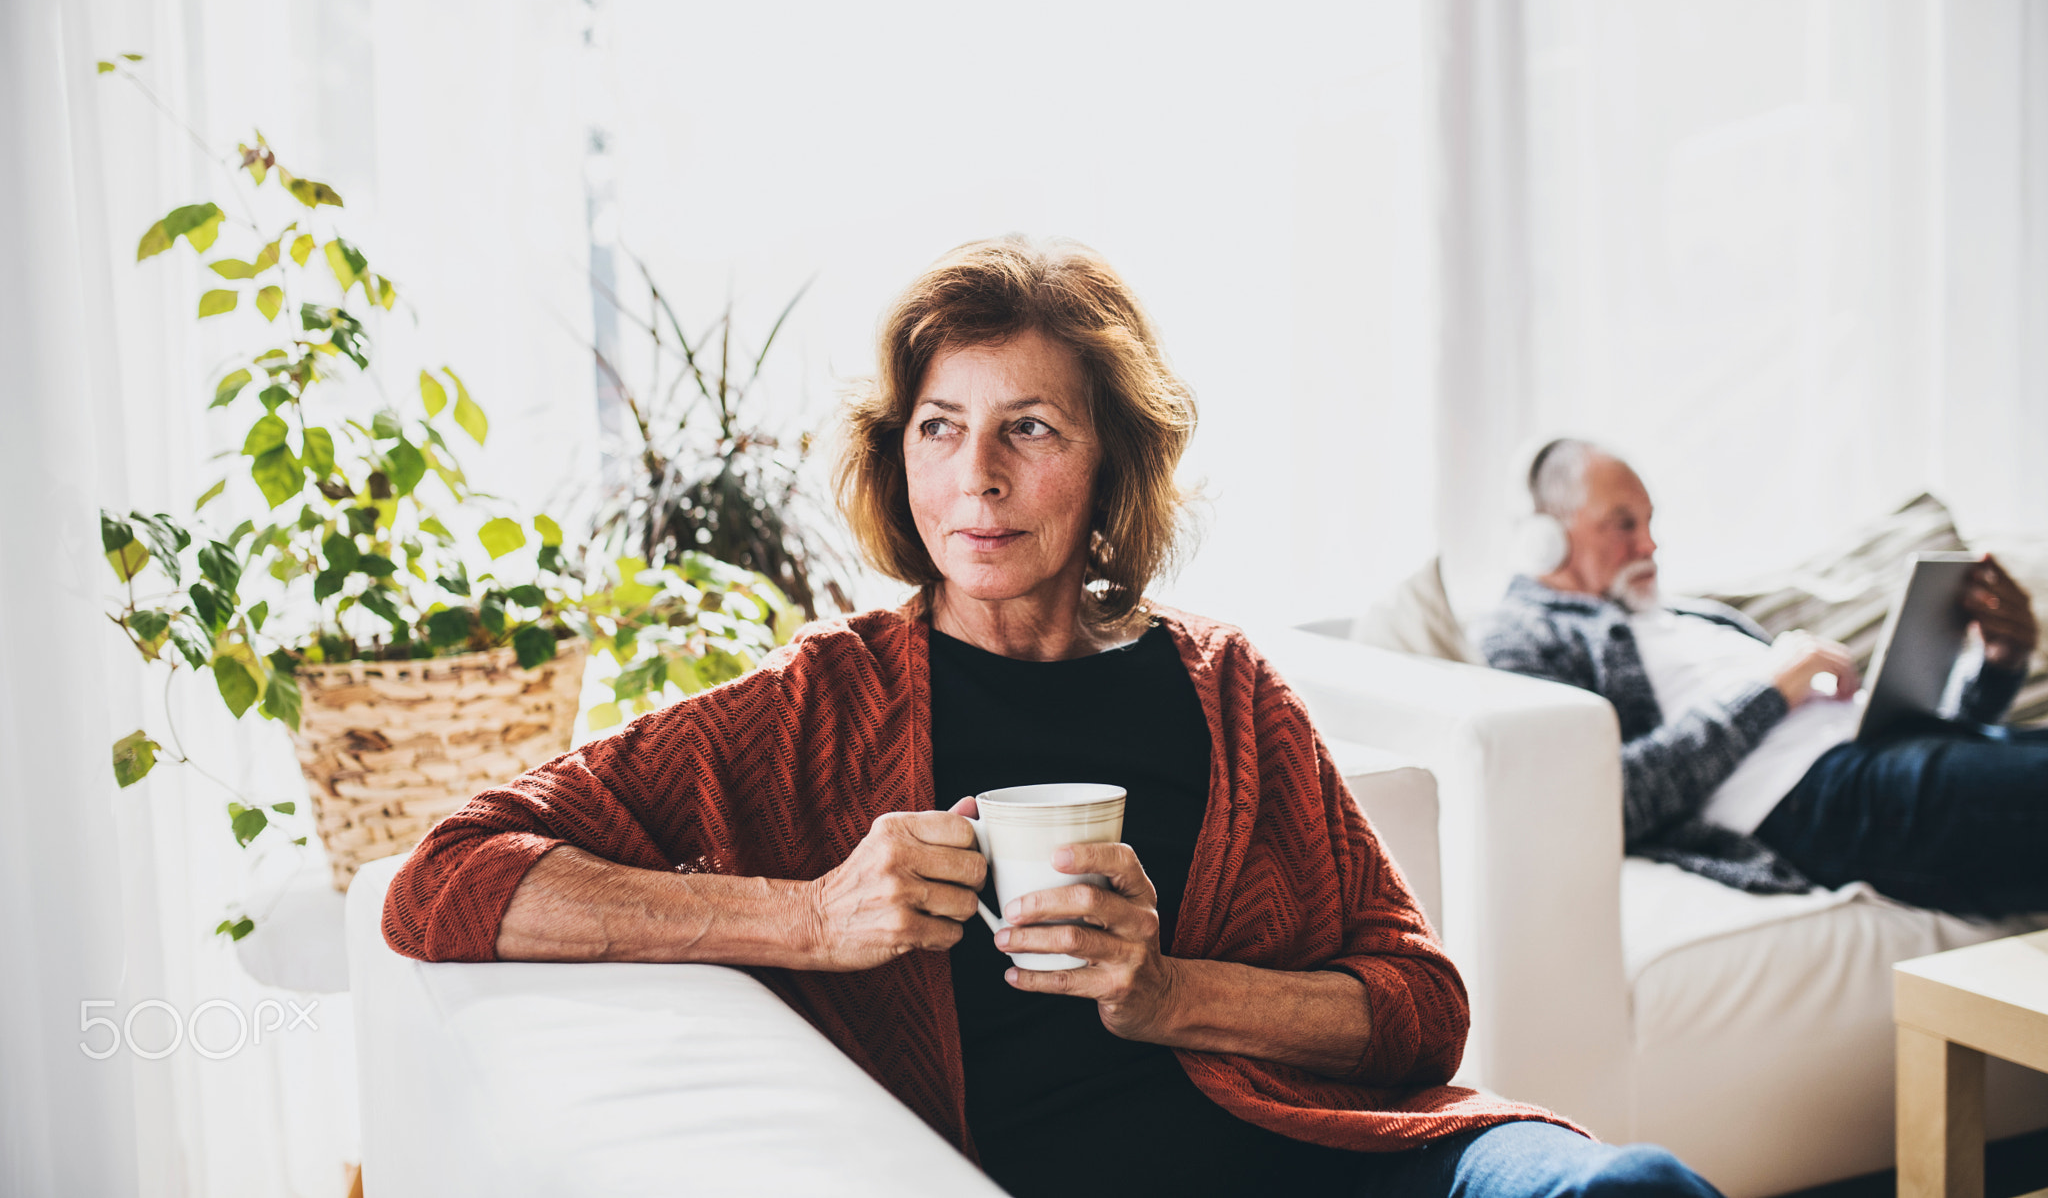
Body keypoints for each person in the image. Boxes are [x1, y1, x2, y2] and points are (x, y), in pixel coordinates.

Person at [384, 241, 1718, 1198]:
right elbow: (446, 881)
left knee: (1635, 1185)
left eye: (1030, 428)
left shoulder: (1224, 690)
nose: (977, 477)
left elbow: (1422, 1013)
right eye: (940, 427)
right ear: (895, 456)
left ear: (1108, 464)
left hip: (1345, 1159)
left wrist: (1165, 991)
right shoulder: (818, 705)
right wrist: (808, 916)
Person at [1478, 438, 2047, 914]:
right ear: (1545, 539)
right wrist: (1773, 692)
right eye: (1622, 524)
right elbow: (1601, 799)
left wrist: (1999, 666)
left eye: (1649, 522)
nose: (1649, 545)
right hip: (1812, 795)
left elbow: (1949, 740)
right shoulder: (1523, 635)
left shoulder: (1684, 615)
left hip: (1887, 749)